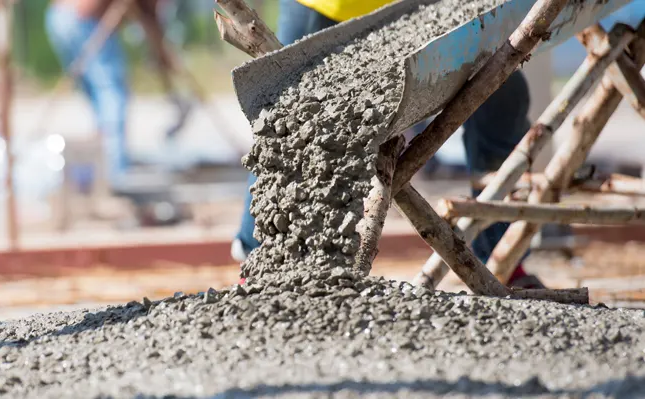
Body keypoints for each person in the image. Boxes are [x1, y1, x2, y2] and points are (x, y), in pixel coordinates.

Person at [231, 0, 545, 289]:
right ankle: (261, 261)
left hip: (426, 10)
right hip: (332, 6)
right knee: (293, 120)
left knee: (504, 96)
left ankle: (505, 257)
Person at [45, 0, 131, 188]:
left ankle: (102, 166)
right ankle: (113, 175)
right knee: (111, 92)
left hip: (60, 15)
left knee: (98, 94)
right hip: (83, 15)